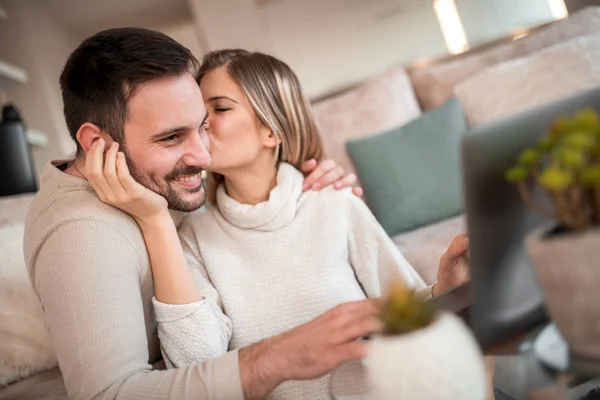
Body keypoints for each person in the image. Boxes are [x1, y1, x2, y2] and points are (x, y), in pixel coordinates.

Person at [82, 48, 471, 399]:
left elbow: (407, 311)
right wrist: (155, 223)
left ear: (271, 129)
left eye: (218, 108)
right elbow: (194, 367)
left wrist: (444, 290)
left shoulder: (334, 204)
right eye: (198, 113)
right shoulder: (192, 240)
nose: (201, 125)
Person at [23, 28, 388, 400]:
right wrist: (275, 358)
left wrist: (304, 180)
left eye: (202, 125)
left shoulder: (158, 180)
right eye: (171, 137)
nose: (203, 154)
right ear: (98, 144)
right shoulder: (79, 236)